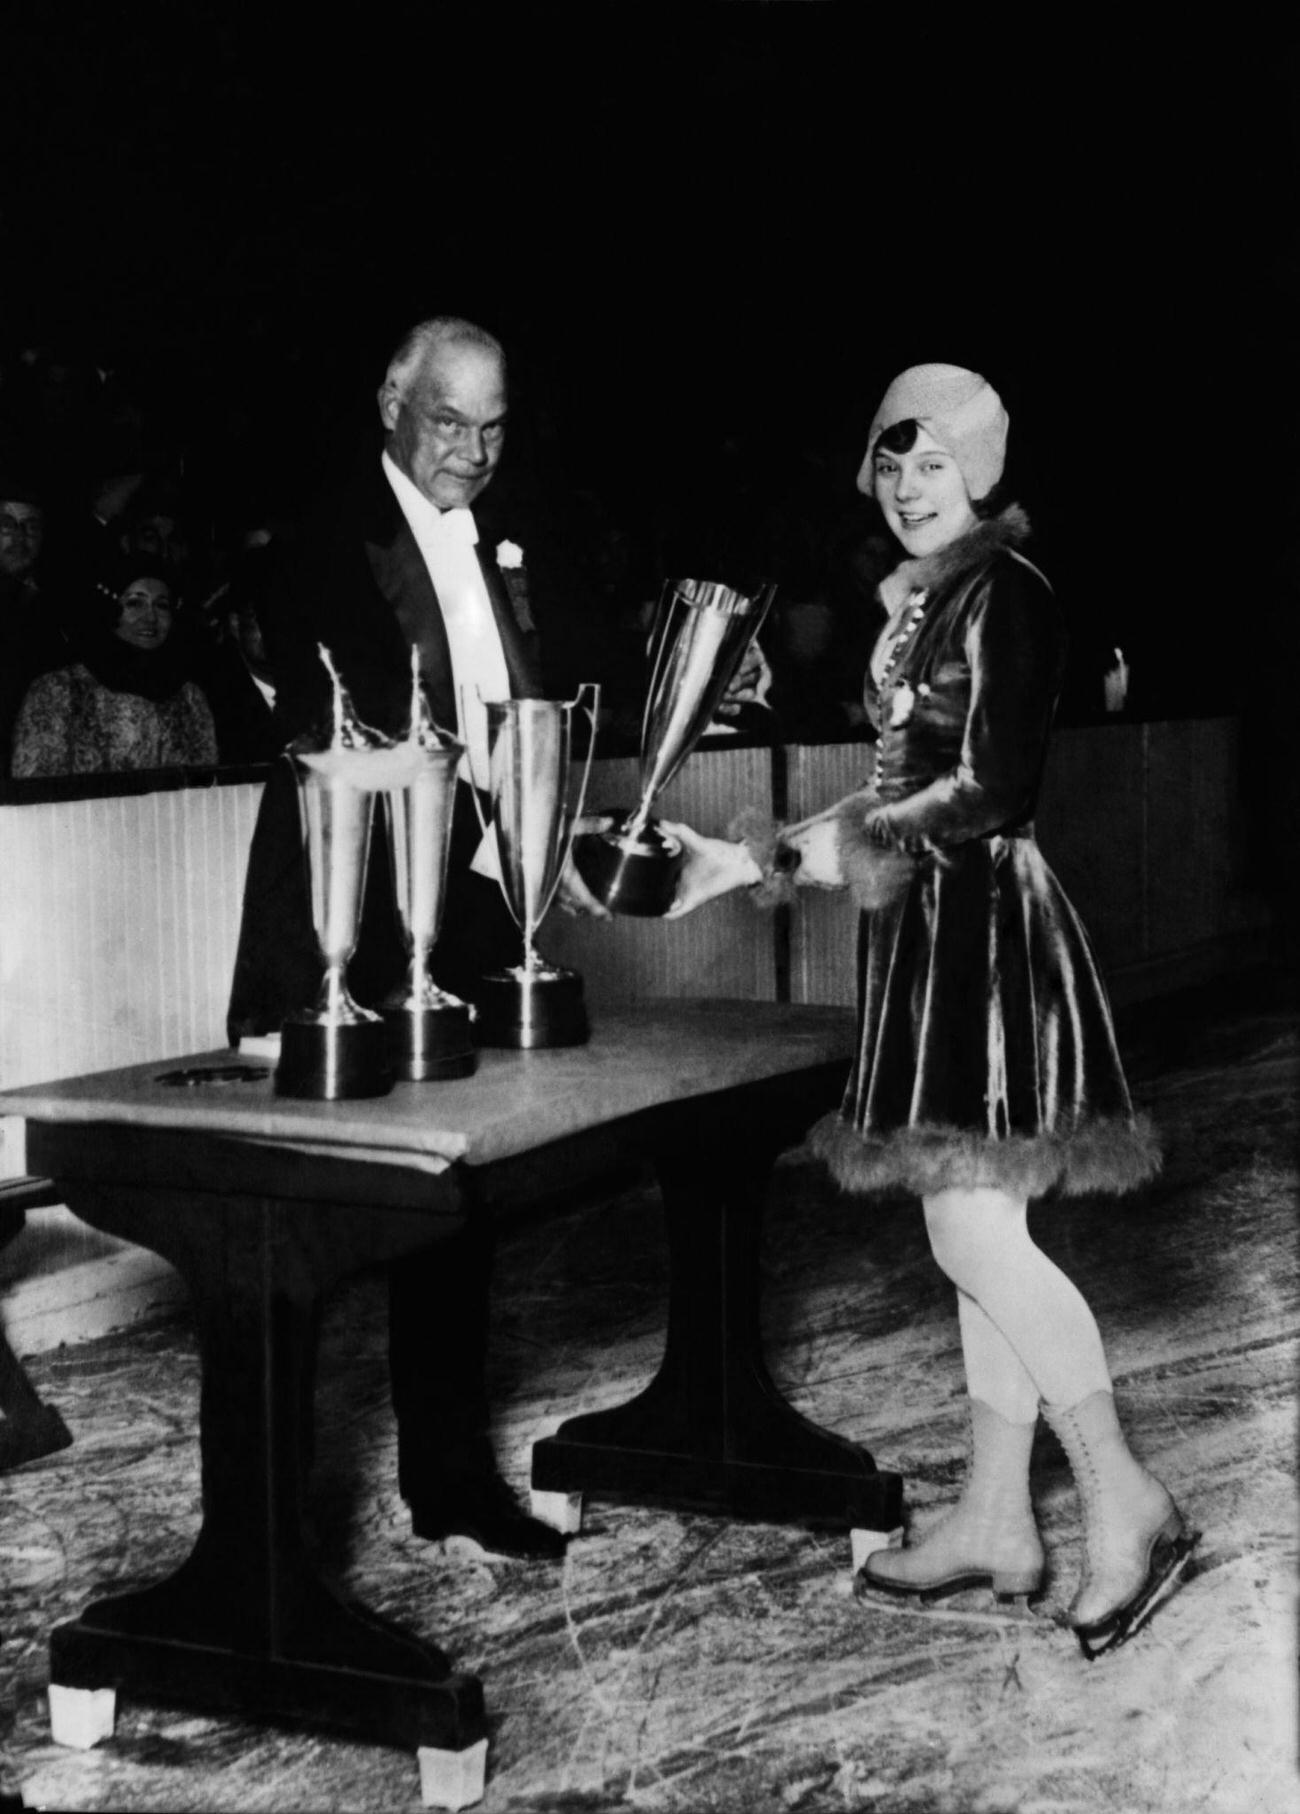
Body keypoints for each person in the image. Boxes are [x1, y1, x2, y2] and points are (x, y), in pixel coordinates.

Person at [663, 364, 1198, 1658]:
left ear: (982, 472)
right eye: (889, 464)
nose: (909, 486)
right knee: (973, 1223)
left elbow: (990, 792)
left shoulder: (1007, 596)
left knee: (971, 1233)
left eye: (933, 462)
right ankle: (998, 1516)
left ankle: (1127, 1499)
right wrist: (751, 859)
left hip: (987, 942)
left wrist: (829, 856)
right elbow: (899, 789)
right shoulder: (926, 605)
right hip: (929, 935)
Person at [226, 315, 595, 1562]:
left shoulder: (497, 540)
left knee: (455, 1209)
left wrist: (532, 840)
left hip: (468, 915)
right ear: (391, 397)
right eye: (449, 422)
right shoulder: (326, 541)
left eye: (493, 429)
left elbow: (516, 711)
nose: (473, 454)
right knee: (304, 1230)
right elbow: (354, 724)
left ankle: (450, 1484)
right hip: (346, 923)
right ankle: (270, 1545)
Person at [10, 554, 218, 777]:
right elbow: (37, 790)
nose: (150, 617)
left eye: (161, 605)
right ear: (108, 608)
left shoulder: (188, 696)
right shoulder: (60, 690)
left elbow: (205, 787)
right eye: (135, 603)